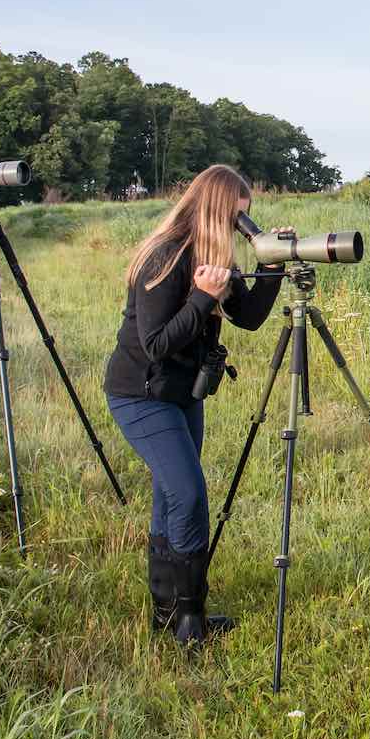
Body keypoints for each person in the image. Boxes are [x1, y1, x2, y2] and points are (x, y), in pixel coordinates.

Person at [103, 164, 290, 646]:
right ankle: (191, 616)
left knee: (171, 496)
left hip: (183, 393)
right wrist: (204, 298)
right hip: (139, 393)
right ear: (215, 212)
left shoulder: (216, 257)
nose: (239, 229)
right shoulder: (165, 257)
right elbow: (157, 343)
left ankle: (168, 612)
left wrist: (270, 268)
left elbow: (248, 319)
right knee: (188, 494)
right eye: (236, 219)